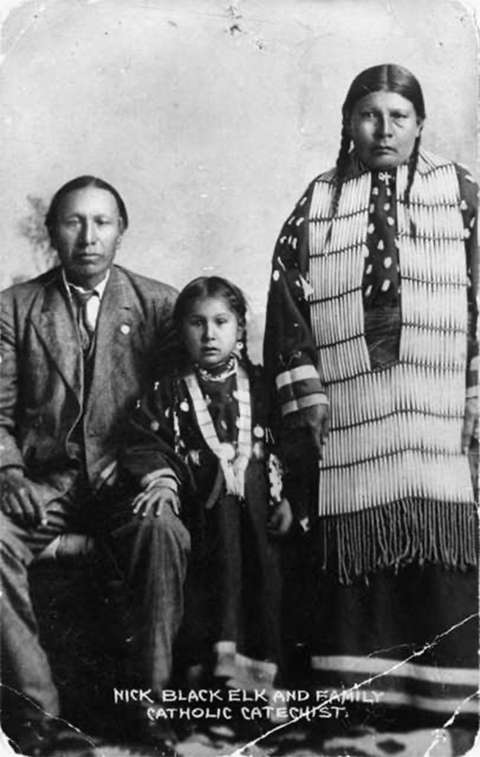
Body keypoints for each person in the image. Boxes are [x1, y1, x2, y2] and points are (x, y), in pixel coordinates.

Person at [264, 64, 478, 752]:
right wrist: (309, 392)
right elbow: (286, 305)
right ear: (347, 122)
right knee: (360, 557)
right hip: (352, 406)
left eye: (398, 116)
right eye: (368, 114)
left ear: (420, 124)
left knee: (441, 548)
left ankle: (448, 709)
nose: (383, 129)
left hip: (440, 405)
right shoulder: (317, 203)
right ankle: (364, 712)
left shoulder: (463, 196)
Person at [0, 176, 188, 757]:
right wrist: (9, 474)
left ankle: (152, 710)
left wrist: (157, 474)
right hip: (43, 482)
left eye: (102, 223)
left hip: (126, 479)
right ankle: (40, 714)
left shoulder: (158, 305)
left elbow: (184, 409)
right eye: (73, 222)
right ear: (52, 232)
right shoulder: (15, 307)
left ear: (121, 232)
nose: (88, 237)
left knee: (162, 532)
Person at [120, 275, 293, 739]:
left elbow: (287, 444)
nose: (210, 334)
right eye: (197, 323)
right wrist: (162, 479)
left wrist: (289, 496)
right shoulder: (167, 392)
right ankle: (206, 701)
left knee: (264, 594)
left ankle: (257, 700)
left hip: (258, 522)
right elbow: (146, 441)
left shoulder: (260, 388)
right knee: (207, 601)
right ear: (181, 331)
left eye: (221, 322)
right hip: (205, 524)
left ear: (240, 327)